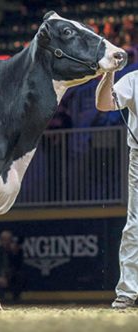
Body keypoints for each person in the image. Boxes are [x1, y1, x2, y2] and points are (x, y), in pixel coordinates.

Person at [96, 69, 138, 309]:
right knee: (135, 225)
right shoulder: (133, 80)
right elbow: (104, 104)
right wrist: (109, 72)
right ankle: (127, 292)